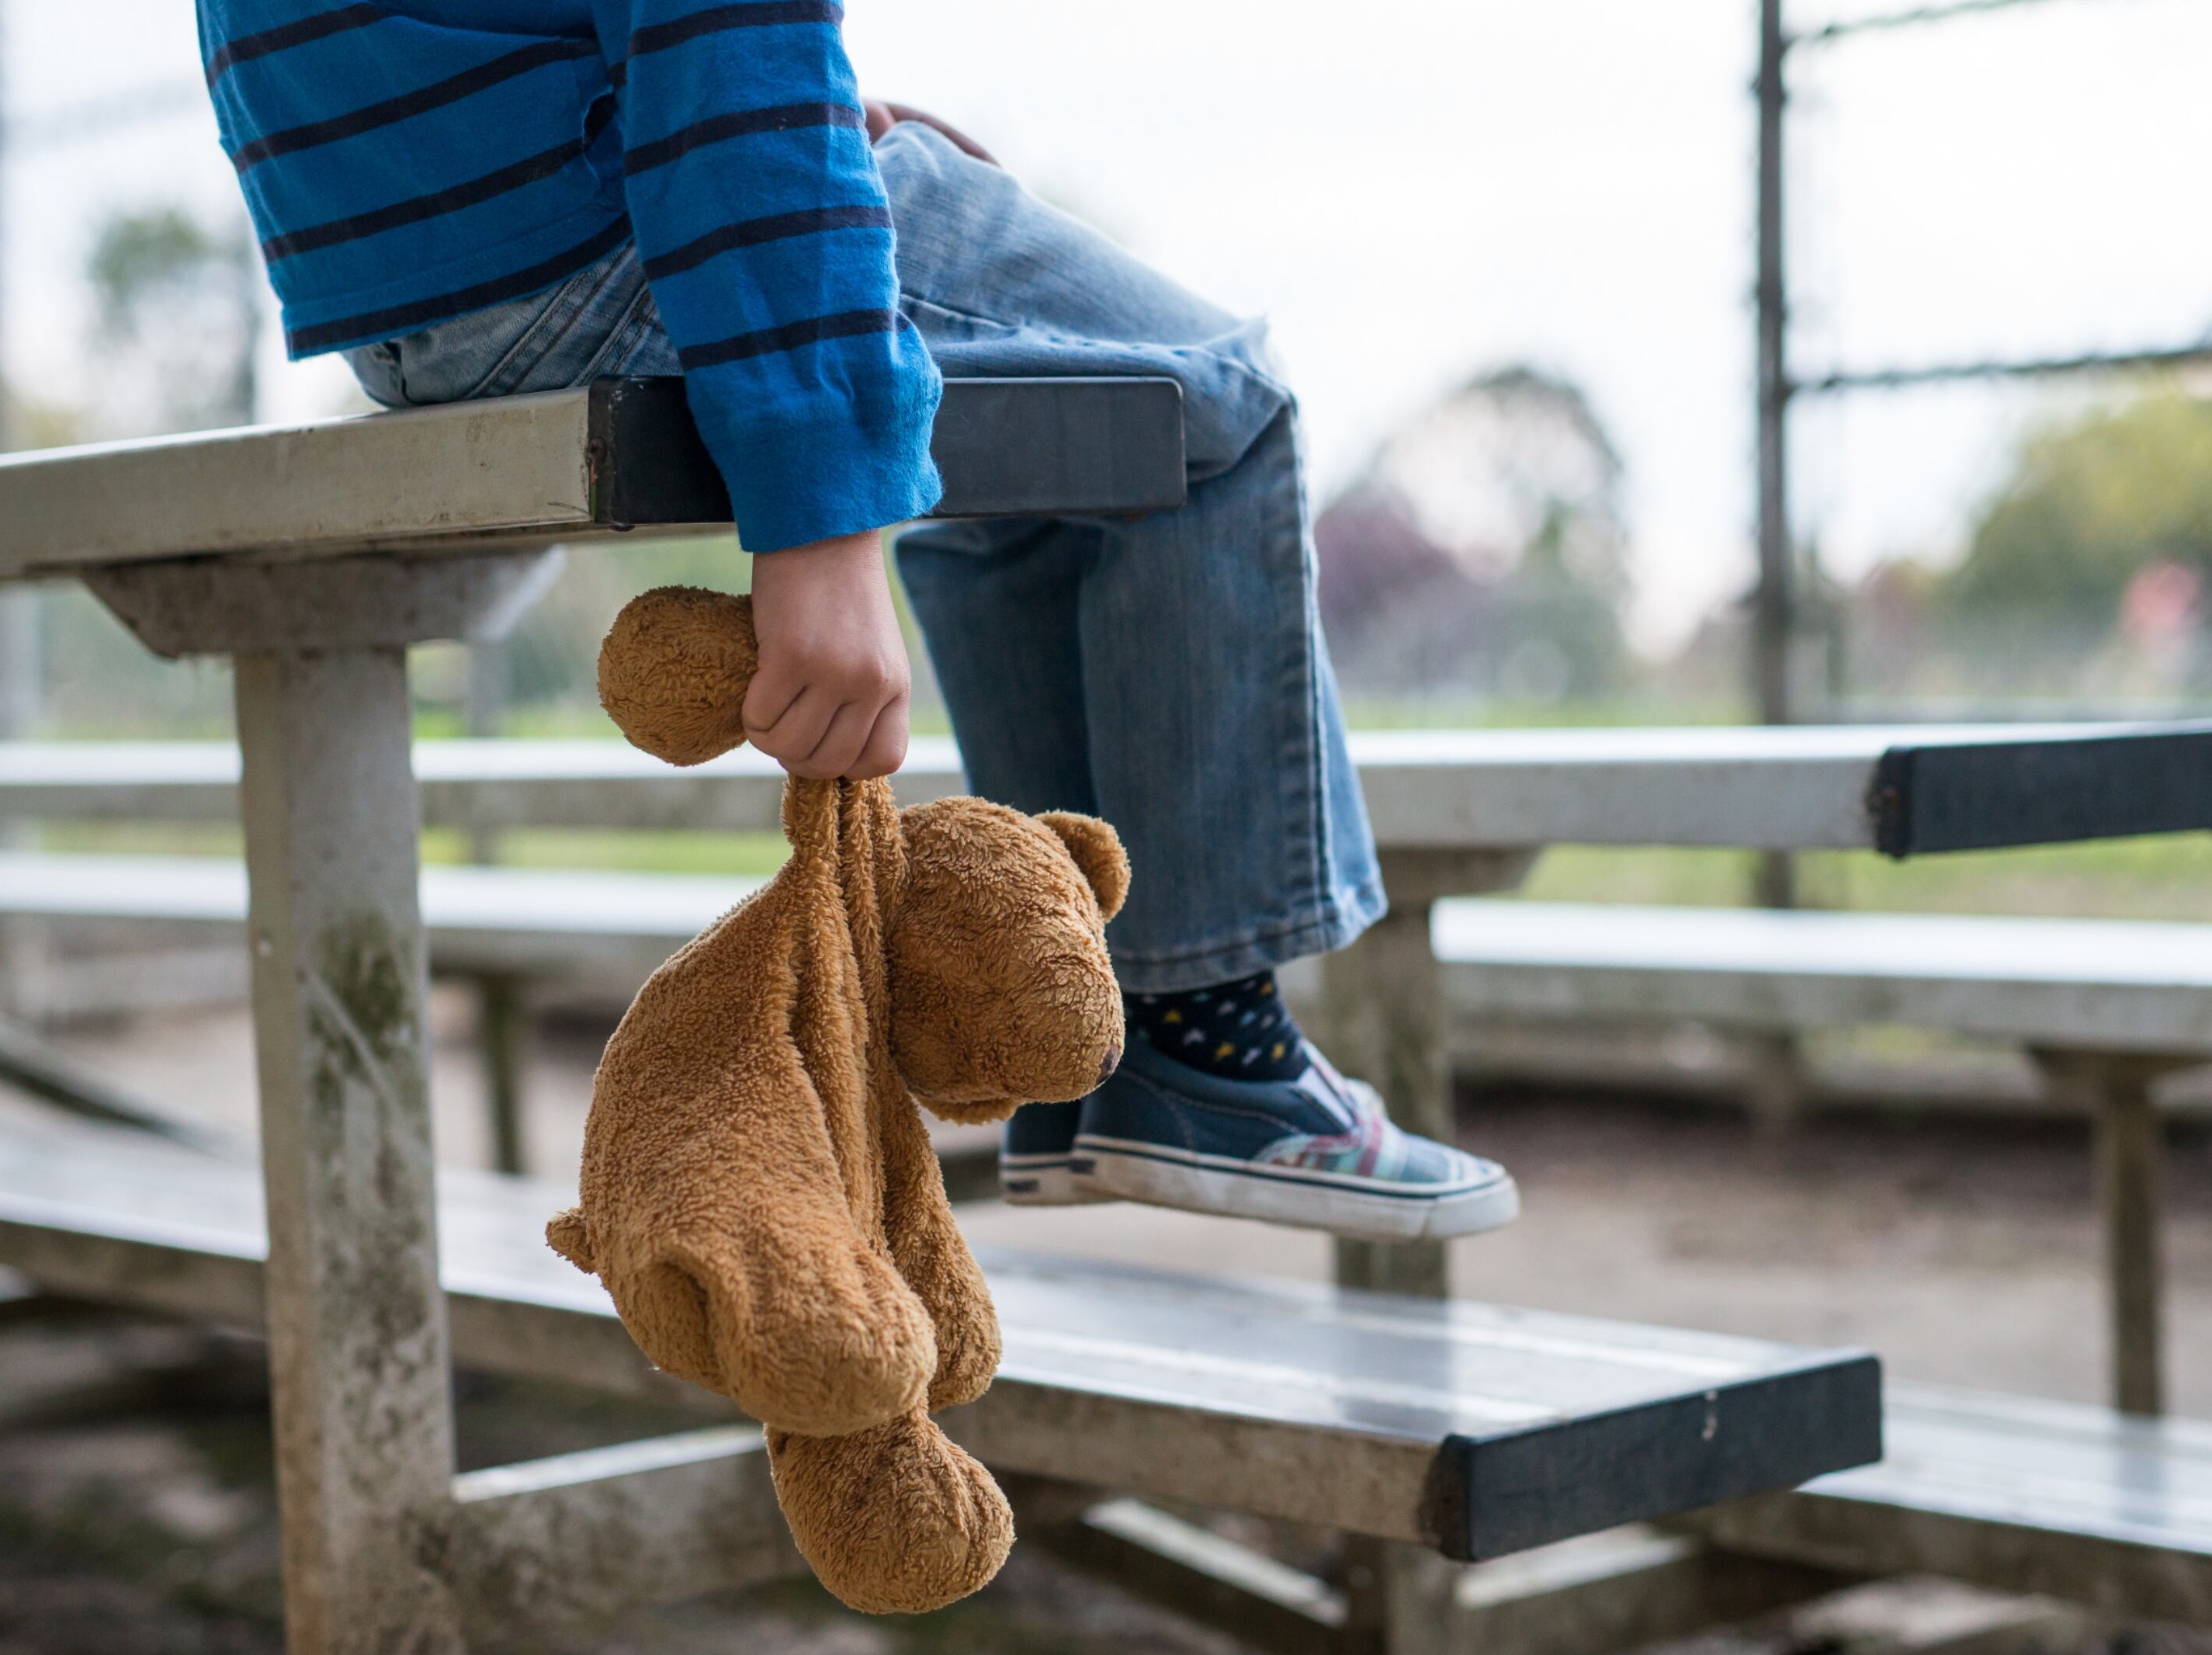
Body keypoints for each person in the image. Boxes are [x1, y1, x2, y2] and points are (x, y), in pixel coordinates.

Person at [196, 0, 1518, 1242]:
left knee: (1019, 463)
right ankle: (1204, 1043)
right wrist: (821, 520)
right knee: (1218, 402)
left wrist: (775, 114)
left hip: (394, 278)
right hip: (591, 225)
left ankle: (1078, 1027)